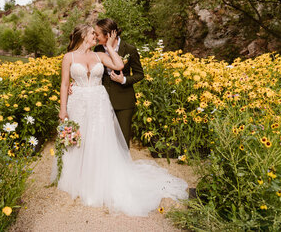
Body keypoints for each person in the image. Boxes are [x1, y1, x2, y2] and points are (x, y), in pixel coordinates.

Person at [53, 24, 188, 217]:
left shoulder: (100, 54)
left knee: (98, 140)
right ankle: (77, 180)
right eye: (93, 34)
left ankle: (99, 182)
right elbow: (65, 83)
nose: (96, 37)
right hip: (79, 102)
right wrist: (63, 109)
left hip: (99, 102)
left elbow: (119, 66)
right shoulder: (69, 57)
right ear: (83, 36)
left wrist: (108, 47)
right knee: (79, 141)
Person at [93, 18, 144, 148]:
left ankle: (123, 167)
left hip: (124, 101)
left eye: (97, 34)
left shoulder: (129, 49)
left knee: (122, 140)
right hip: (102, 100)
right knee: (104, 139)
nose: (95, 36)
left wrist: (124, 80)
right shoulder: (98, 49)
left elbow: (139, 74)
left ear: (109, 34)